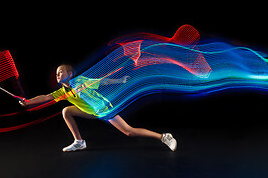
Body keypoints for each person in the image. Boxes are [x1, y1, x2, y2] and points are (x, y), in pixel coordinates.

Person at [19, 64, 177, 152]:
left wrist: (120, 80)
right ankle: (79, 142)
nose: (58, 74)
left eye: (61, 71)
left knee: (129, 131)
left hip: (103, 110)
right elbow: (46, 97)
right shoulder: (63, 92)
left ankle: (164, 137)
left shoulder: (80, 81)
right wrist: (28, 102)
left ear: (70, 73)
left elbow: (103, 81)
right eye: (56, 73)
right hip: (90, 113)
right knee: (66, 111)